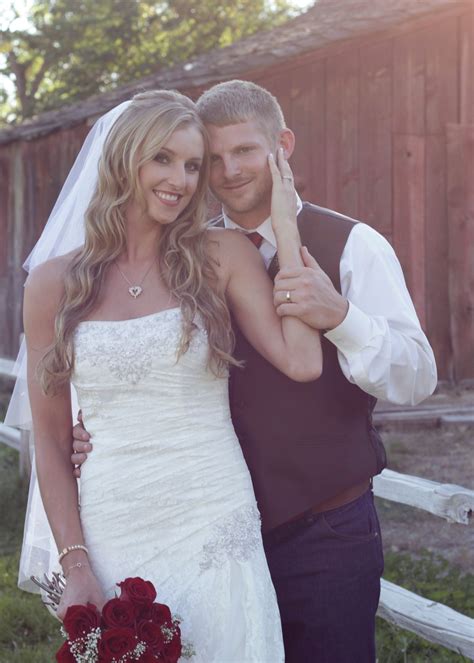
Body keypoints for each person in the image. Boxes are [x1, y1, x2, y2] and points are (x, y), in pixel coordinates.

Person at [72, 81, 438, 662]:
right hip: (209, 527)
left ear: (282, 146)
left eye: (244, 151)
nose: (228, 170)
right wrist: (96, 427)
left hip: (324, 531)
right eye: (210, 160)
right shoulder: (191, 253)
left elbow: (417, 377)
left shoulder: (352, 245)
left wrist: (340, 316)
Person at [13, 89, 325, 662]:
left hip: (214, 514)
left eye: (191, 165)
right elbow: (53, 444)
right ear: (124, 159)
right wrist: (74, 564)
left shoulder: (222, 256)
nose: (179, 180)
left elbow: (303, 363)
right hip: (111, 521)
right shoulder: (53, 285)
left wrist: (286, 226)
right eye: (162, 158)